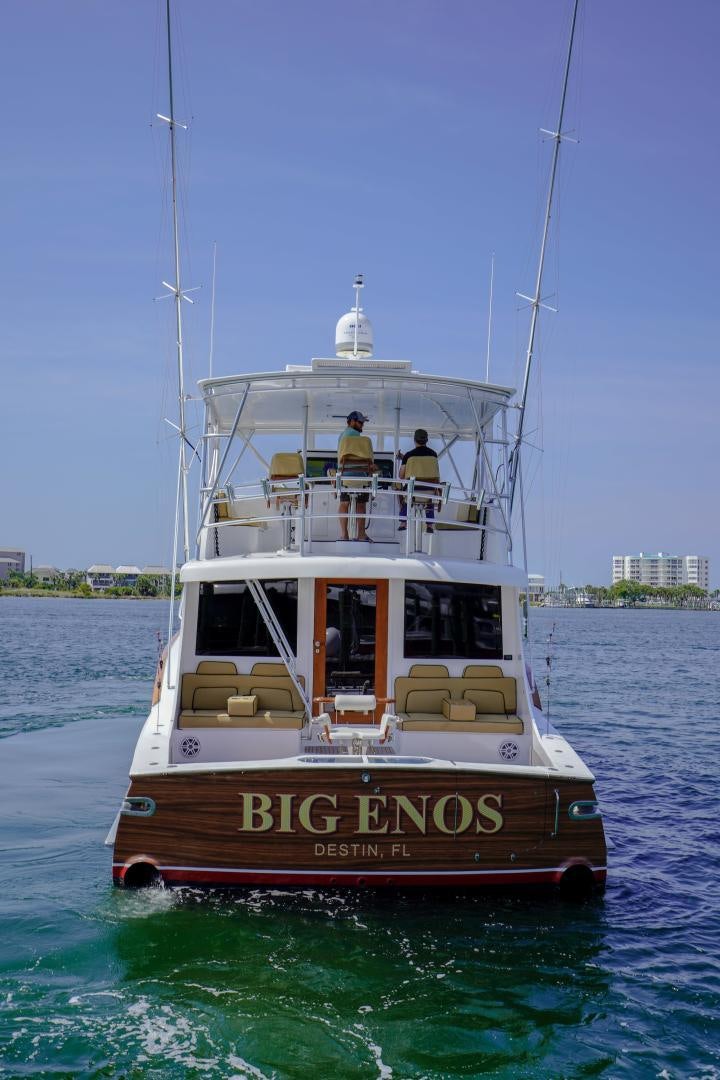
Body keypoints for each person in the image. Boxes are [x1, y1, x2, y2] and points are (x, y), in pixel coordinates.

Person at [337, 411, 372, 541]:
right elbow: (370, 462)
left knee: (344, 503)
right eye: (360, 422)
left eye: (362, 423)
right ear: (351, 421)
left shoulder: (342, 437)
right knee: (361, 504)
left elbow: (340, 458)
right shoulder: (363, 440)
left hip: (345, 478)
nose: (362, 425)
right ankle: (361, 535)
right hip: (361, 479)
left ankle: (344, 535)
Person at [397, 428, 438, 533]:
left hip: (412, 492)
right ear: (427, 440)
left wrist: (404, 459)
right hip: (429, 492)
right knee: (429, 500)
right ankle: (429, 525)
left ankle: (403, 522)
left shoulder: (409, 455)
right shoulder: (433, 455)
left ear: (414, 440)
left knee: (404, 496)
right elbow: (435, 475)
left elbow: (401, 476)